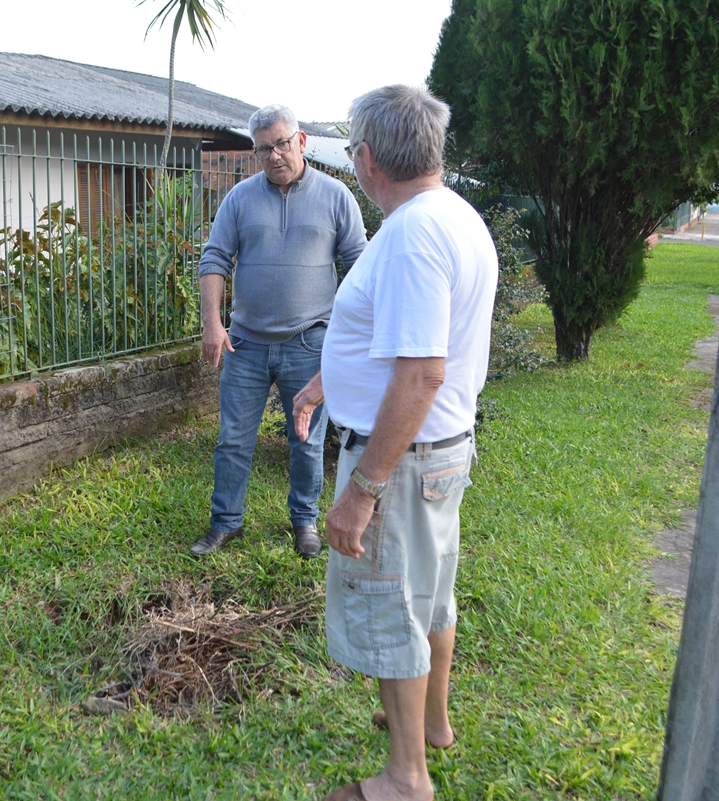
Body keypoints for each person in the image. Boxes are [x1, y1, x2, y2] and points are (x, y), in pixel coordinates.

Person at [293, 85, 498, 801]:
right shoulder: (451, 216)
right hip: (439, 453)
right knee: (430, 594)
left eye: (352, 151)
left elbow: (420, 372)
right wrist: (325, 383)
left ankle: (405, 777)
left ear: (370, 158)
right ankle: (432, 722)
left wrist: (360, 490)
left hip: (401, 463)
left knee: (391, 605)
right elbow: (395, 342)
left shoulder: (412, 233)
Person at [190, 104, 367, 558]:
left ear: (301, 141)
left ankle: (304, 522)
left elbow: (360, 267)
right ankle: (225, 522)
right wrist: (212, 323)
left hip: (310, 343)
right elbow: (214, 259)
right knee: (233, 438)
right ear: (255, 151)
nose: (274, 155)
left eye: (282, 143)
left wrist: (348, 335)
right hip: (245, 344)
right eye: (264, 148)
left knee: (305, 442)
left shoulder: (335, 196)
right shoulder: (240, 199)